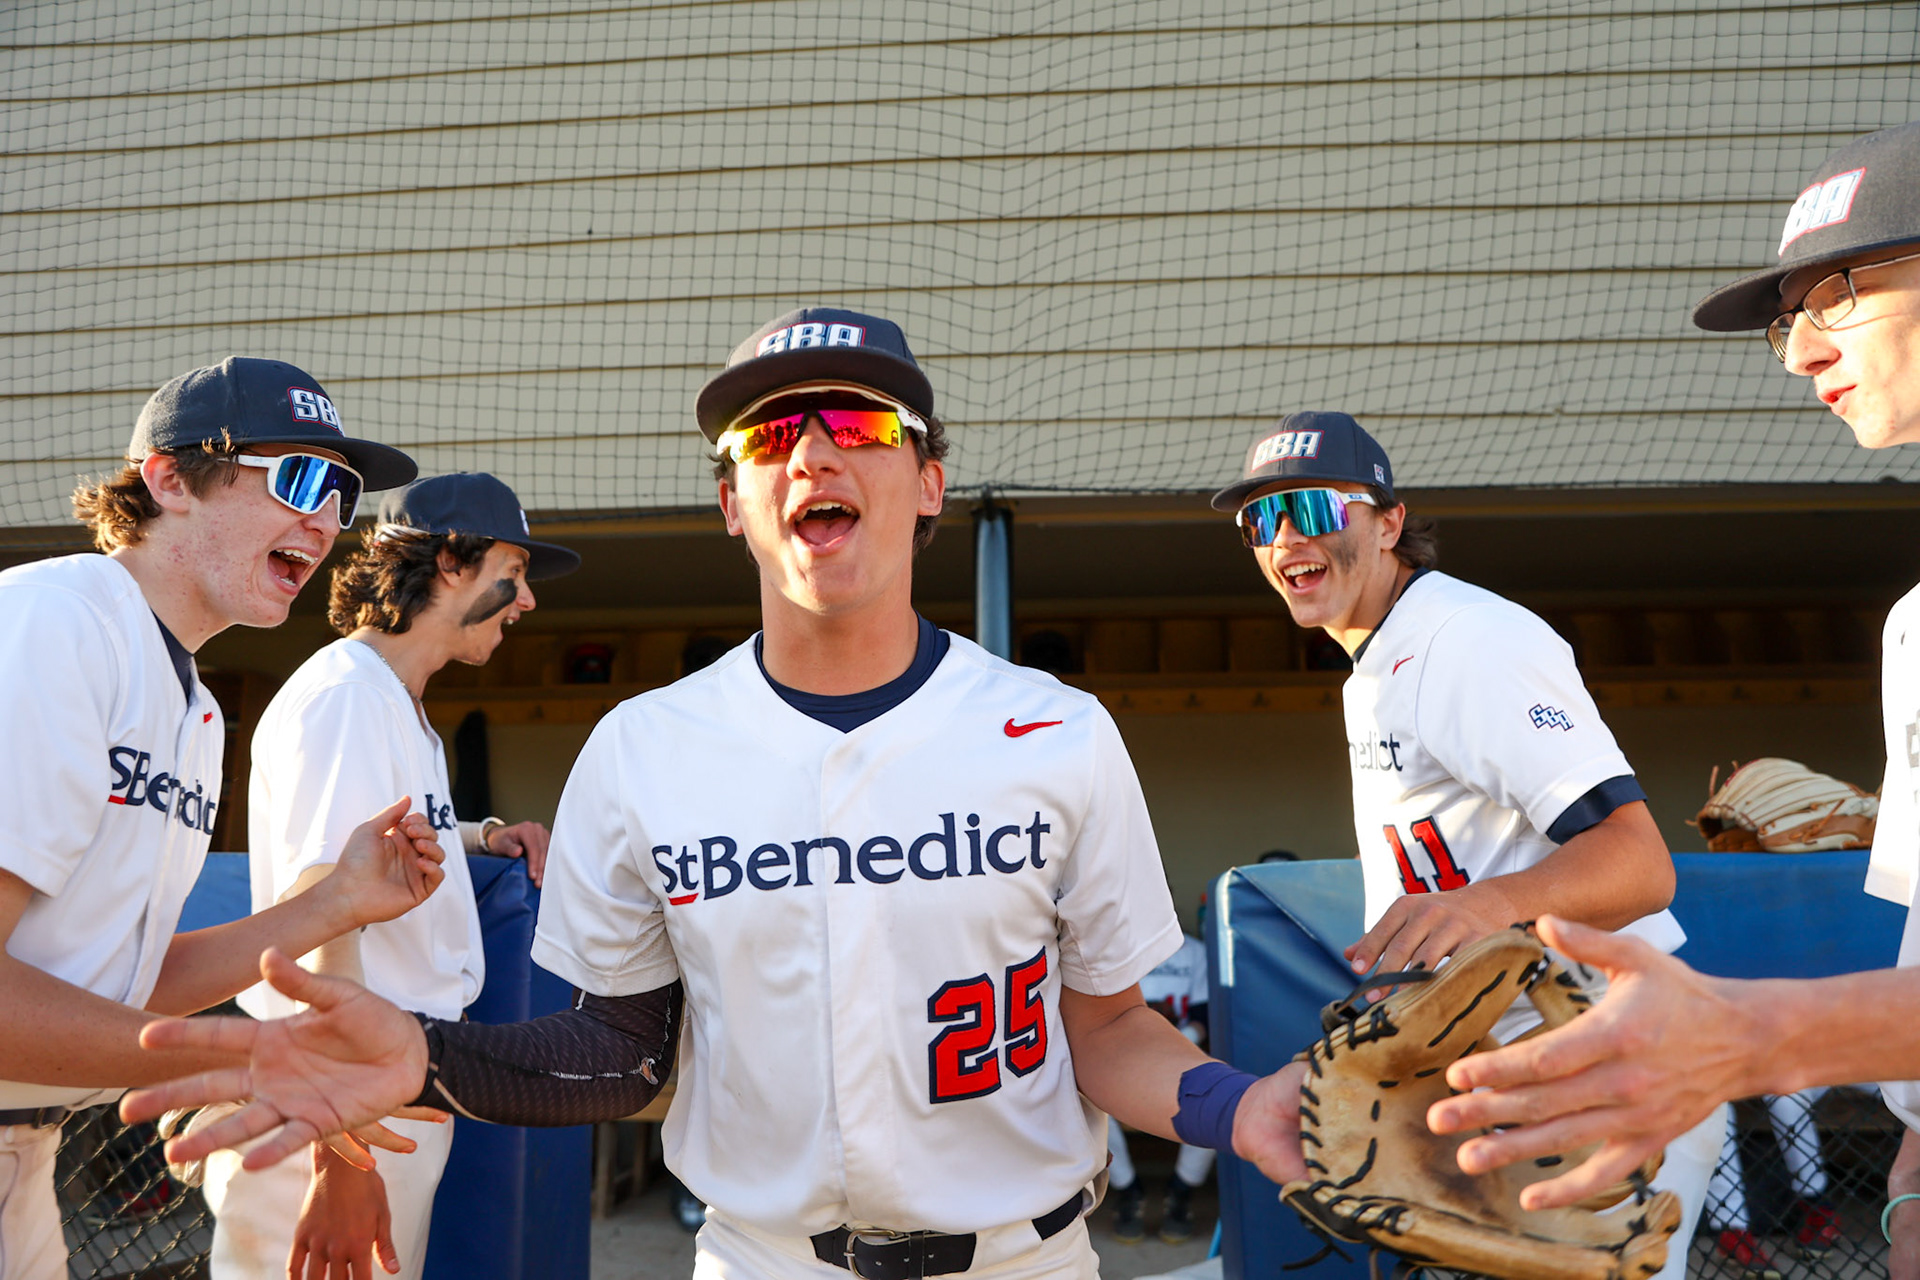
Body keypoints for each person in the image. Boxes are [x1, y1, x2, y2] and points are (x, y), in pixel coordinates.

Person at [121, 308, 1313, 1279]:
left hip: (1025, 1258)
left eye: (857, 419)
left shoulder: (1057, 729)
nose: (811, 448)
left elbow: (1103, 1025)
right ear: (735, 502)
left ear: (930, 479)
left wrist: (1236, 1105)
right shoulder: (642, 749)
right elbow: (620, 1050)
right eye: (766, 436)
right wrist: (432, 1059)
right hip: (763, 1259)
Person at [1416, 119, 1920, 1265]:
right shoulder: (1913, 624)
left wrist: (1748, 1033)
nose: (1797, 351)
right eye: (1787, 319)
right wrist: (1909, 1169)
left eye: (1834, 293)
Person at [1212, 411, 1724, 1276]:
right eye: (1262, 520)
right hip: (1511, 1074)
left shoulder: (1467, 638)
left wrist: (1487, 907)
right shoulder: (1379, 657)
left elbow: (1640, 860)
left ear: (1389, 522)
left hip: (1600, 1055)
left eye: (1316, 508)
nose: (1288, 536)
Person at [0, 356, 446, 1280]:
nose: (325, 519)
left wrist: (337, 903)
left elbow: (110, 984)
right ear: (169, 478)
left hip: (28, 1150)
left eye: (344, 493)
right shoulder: (55, 626)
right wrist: (265, 1058)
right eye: (300, 478)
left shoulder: (196, 708)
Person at [204, 472, 580, 1279]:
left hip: (375, 1095)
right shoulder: (348, 697)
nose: (527, 601)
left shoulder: (391, 700)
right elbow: (323, 919)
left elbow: (372, 861)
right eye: (512, 571)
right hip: (337, 1116)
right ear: (451, 561)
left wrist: (480, 835)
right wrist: (343, 1161)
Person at [1106, 931, 1214, 1245]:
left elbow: (1203, 1018)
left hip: (1179, 1055)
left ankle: (1181, 1191)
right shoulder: (1111, 945)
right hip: (1117, 1058)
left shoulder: (1193, 951)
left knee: (1216, 1101)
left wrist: (1169, 1043)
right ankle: (1128, 1190)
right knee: (1085, 1107)